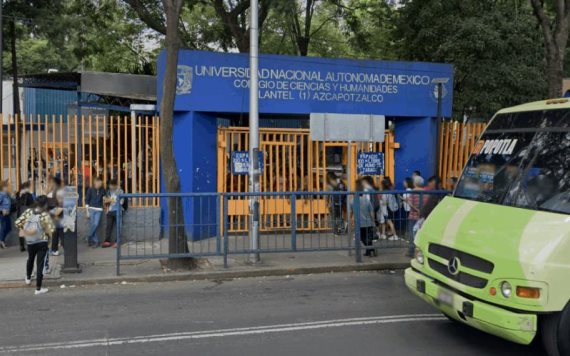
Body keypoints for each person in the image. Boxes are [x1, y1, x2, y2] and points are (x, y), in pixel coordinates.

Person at [15, 196, 55, 295]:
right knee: (40, 264)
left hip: (30, 242)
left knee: (30, 259)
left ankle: (28, 278)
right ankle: (38, 289)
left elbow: (17, 223)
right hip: (42, 241)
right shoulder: (45, 214)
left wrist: (26, 231)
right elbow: (51, 230)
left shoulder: (28, 211)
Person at [355, 179, 376, 257]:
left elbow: (353, 212)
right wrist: (373, 221)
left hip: (360, 223)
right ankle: (370, 250)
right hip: (368, 222)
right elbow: (371, 211)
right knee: (368, 238)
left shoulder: (355, 201)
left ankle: (370, 250)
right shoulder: (367, 200)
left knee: (361, 238)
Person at [405, 175, 425, 257]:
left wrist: (416, 210)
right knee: (421, 234)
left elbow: (410, 203)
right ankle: (420, 252)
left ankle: (411, 251)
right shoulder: (426, 192)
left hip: (413, 216)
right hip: (422, 217)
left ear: (415, 183)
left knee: (411, 234)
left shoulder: (413, 192)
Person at [102, 179, 124, 248]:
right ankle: (107, 241)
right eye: (109, 185)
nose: (110, 186)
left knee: (118, 227)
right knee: (108, 227)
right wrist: (106, 206)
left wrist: (116, 197)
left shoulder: (120, 191)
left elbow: (122, 202)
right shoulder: (108, 191)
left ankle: (117, 242)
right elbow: (105, 201)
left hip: (118, 211)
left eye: (111, 185)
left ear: (115, 185)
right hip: (110, 211)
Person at [85, 176, 106, 247]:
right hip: (91, 209)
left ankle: (89, 237)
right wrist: (87, 212)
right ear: (95, 183)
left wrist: (105, 201)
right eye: (98, 184)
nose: (99, 185)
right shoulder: (90, 190)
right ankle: (96, 241)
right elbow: (87, 200)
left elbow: (105, 199)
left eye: (100, 184)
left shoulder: (103, 190)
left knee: (96, 224)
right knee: (93, 225)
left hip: (99, 209)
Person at [15, 182, 35, 252]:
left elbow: (16, 204)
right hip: (27, 213)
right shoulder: (28, 194)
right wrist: (32, 194)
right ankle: (30, 245)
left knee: (21, 230)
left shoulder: (18, 194)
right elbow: (33, 204)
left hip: (20, 213)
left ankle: (22, 246)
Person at [47, 177, 64, 256]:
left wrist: (55, 213)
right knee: (58, 233)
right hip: (57, 214)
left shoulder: (57, 192)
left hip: (57, 214)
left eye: (51, 183)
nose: (49, 184)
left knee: (58, 233)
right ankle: (56, 249)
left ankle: (55, 249)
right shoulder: (55, 192)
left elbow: (60, 204)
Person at [0, 181, 12, 249]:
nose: (8, 187)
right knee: (4, 228)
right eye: (6, 186)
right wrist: (2, 211)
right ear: (3, 187)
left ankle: (2, 240)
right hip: (2, 214)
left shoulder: (6, 194)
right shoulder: (1, 195)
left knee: (8, 228)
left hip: (7, 214)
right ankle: (2, 241)